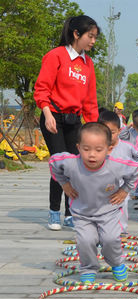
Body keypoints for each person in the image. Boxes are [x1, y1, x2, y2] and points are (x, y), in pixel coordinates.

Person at [49, 122, 138, 284]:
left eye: (98, 150)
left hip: (109, 211)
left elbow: (136, 170)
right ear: (78, 147)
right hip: (82, 213)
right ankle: (88, 267)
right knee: (85, 241)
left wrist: (124, 190)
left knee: (111, 239)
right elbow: (53, 162)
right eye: (86, 149)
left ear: (109, 149)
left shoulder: (117, 165)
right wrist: (64, 184)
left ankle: (116, 262)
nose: (92, 155)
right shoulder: (71, 164)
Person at [34, 15, 100, 231]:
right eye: (90, 36)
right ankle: (54, 212)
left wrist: (94, 128)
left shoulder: (88, 63)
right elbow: (42, 88)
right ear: (76, 34)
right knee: (60, 164)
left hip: (74, 120)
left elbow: (90, 100)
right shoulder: (56, 56)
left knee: (76, 166)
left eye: (95, 37)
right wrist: (47, 113)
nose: (93, 41)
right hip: (53, 117)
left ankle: (71, 212)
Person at [98, 111, 138, 236]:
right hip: (101, 185)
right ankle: (101, 230)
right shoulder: (97, 147)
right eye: (104, 132)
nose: (108, 136)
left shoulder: (127, 147)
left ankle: (122, 230)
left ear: (119, 131)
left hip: (121, 185)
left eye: (112, 132)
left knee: (121, 207)